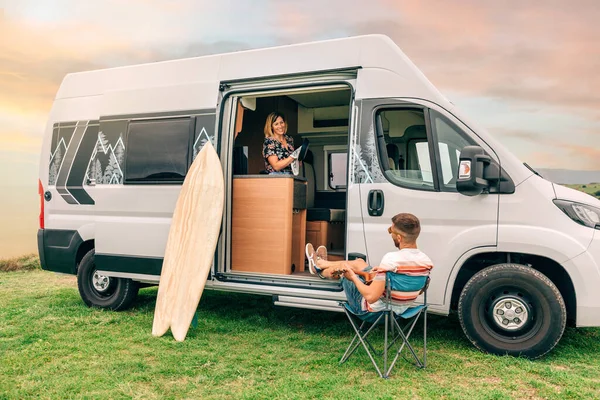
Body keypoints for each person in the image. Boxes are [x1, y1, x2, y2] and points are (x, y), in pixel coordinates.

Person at [305, 213, 433, 315]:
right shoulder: (426, 261)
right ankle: (320, 263)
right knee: (359, 263)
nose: (390, 234)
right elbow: (419, 289)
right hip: (403, 310)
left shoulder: (391, 260)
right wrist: (383, 275)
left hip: (372, 310)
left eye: (391, 231)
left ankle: (319, 269)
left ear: (399, 238)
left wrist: (353, 277)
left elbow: (371, 297)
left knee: (345, 269)